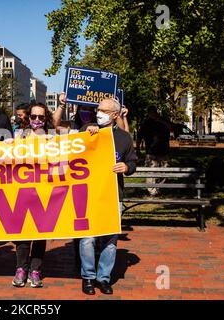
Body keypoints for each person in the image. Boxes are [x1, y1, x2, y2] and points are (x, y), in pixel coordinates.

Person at [79, 98, 137, 295]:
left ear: (114, 115)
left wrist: (127, 167)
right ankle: (87, 277)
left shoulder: (124, 138)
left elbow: (132, 162)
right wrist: (87, 135)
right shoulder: (88, 131)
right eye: (98, 109)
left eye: (103, 110)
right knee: (87, 239)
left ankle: (103, 278)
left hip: (113, 195)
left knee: (110, 241)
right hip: (88, 194)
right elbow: (73, 153)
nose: (98, 113)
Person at [7, 102, 54, 288]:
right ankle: (21, 268)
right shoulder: (20, 135)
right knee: (24, 234)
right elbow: (7, 158)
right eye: (33, 116)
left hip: (44, 193)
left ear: (46, 118)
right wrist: (6, 144)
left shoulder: (53, 138)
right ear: (28, 117)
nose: (37, 120)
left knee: (40, 234)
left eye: (41, 117)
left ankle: (35, 270)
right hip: (23, 191)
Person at [136, 106, 171, 195]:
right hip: (151, 152)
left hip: (164, 151)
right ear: (148, 114)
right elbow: (139, 137)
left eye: (154, 112)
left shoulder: (163, 121)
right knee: (150, 172)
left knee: (164, 171)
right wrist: (138, 149)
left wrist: (160, 120)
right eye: (151, 113)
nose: (153, 114)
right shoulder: (146, 123)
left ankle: (159, 188)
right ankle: (152, 191)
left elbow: (171, 127)